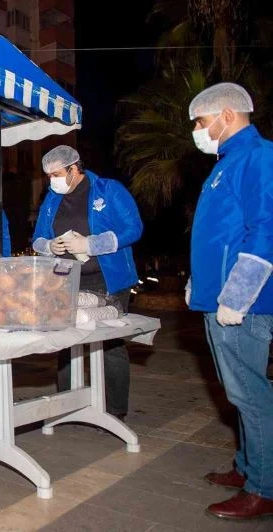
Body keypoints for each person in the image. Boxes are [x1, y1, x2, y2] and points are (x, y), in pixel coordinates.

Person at [185, 82, 273, 520]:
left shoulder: (258, 156)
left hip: (242, 304)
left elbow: (265, 229)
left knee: (251, 395)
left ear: (226, 115)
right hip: (217, 298)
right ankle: (248, 467)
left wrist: (238, 295)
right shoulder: (228, 161)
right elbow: (220, 234)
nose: (196, 132)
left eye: (200, 122)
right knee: (238, 393)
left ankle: (264, 487)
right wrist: (199, 284)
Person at [32, 145, 143, 421]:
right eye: (48, 176)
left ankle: (115, 409)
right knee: (65, 342)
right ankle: (66, 405)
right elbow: (37, 237)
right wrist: (49, 246)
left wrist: (92, 244)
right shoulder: (52, 199)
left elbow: (133, 228)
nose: (51, 181)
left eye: (56, 174)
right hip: (67, 280)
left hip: (108, 279)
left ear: (74, 169)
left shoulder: (108, 189)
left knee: (110, 344)